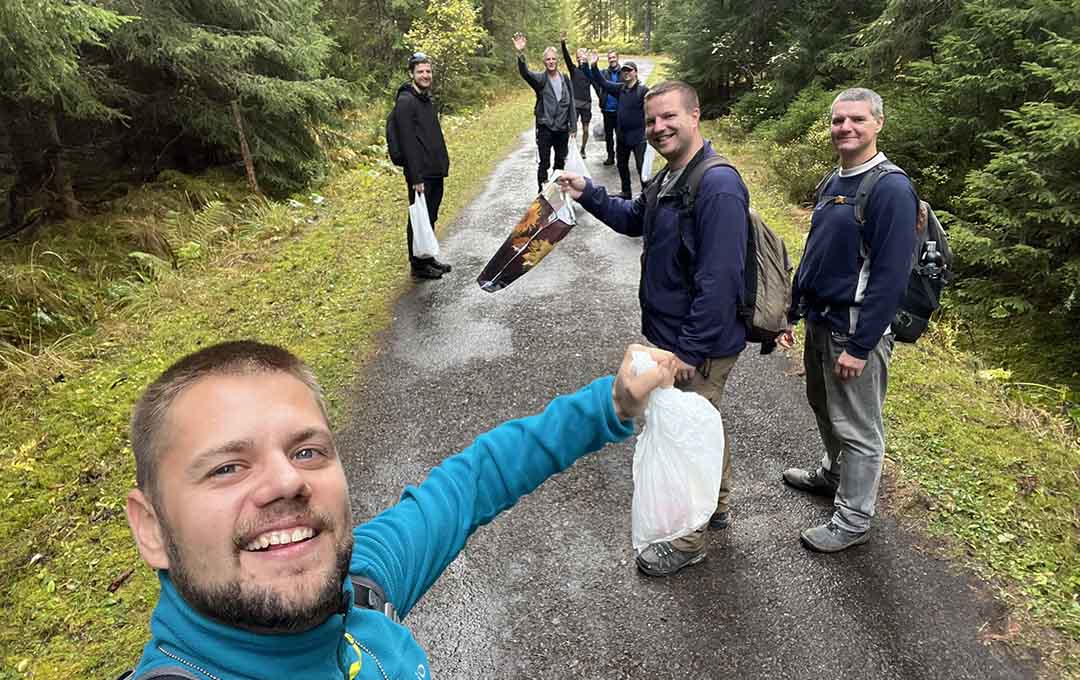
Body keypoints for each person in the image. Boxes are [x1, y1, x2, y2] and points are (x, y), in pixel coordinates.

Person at [123, 340, 675, 679]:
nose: (287, 481)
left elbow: (471, 484)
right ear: (151, 528)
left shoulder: (361, 585)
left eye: (307, 451)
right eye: (227, 467)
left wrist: (613, 404)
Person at [556, 80, 749, 577]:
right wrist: (588, 194)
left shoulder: (718, 185)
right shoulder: (670, 178)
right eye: (651, 121)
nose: (659, 127)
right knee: (700, 422)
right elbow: (634, 218)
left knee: (685, 434)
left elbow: (720, 278)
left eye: (669, 117)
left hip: (694, 344)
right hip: (674, 336)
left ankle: (688, 539)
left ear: (695, 115)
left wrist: (689, 350)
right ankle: (716, 504)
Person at [778, 87, 917, 553]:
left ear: (878, 123)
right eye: (838, 120)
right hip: (820, 319)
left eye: (857, 119)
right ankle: (832, 474)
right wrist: (793, 309)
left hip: (854, 328)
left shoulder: (890, 188)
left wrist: (861, 347)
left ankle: (854, 518)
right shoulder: (833, 181)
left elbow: (891, 276)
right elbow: (817, 253)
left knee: (858, 426)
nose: (846, 128)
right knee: (823, 406)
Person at [391, 52, 452, 280]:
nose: (425, 75)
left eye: (428, 71)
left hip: (434, 170)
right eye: (420, 72)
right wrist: (415, 176)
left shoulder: (425, 99)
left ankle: (427, 257)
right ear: (411, 74)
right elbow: (407, 143)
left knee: (431, 216)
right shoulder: (406, 102)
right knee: (418, 218)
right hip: (420, 174)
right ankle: (417, 265)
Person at [513, 32, 577, 193]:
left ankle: (556, 193)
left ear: (557, 61)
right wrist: (520, 53)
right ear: (544, 62)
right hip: (545, 128)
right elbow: (525, 73)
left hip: (562, 129)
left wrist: (573, 126)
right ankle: (542, 192)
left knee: (560, 162)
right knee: (544, 163)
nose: (551, 62)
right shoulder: (541, 80)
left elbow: (571, 104)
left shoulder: (565, 79)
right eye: (548, 59)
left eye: (553, 59)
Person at [589, 56, 647, 199]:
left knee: (642, 168)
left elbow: (654, 110)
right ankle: (626, 192)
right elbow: (603, 82)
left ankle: (647, 196)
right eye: (624, 71)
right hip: (622, 136)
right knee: (622, 164)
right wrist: (594, 66)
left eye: (629, 70)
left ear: (635, 72)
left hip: (638, 137)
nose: (626, 73)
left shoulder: (643, 91)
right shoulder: (620, 89)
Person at [560, 35, 594, 158]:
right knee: (572, 129)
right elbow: (566, 57)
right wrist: (563, 44)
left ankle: (583, 149)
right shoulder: (573, 70)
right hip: (575, 103)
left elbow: (596, 80)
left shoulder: (589, 72)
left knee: (585, 129)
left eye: (582, 56)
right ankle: (571, 150)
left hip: (586, 104)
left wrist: (587, 62)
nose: (580, 58)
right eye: (578, 57)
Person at [597, 50, 621, 166]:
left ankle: (621, 157)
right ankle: (610, 157)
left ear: (617, 58)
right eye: (610, 58)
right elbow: (594, 76)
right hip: (607, 111)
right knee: (609, 136)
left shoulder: (624, 72)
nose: (612, 59)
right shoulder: (604, 73)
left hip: (620, 111)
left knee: (620, 136)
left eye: (613, 57)